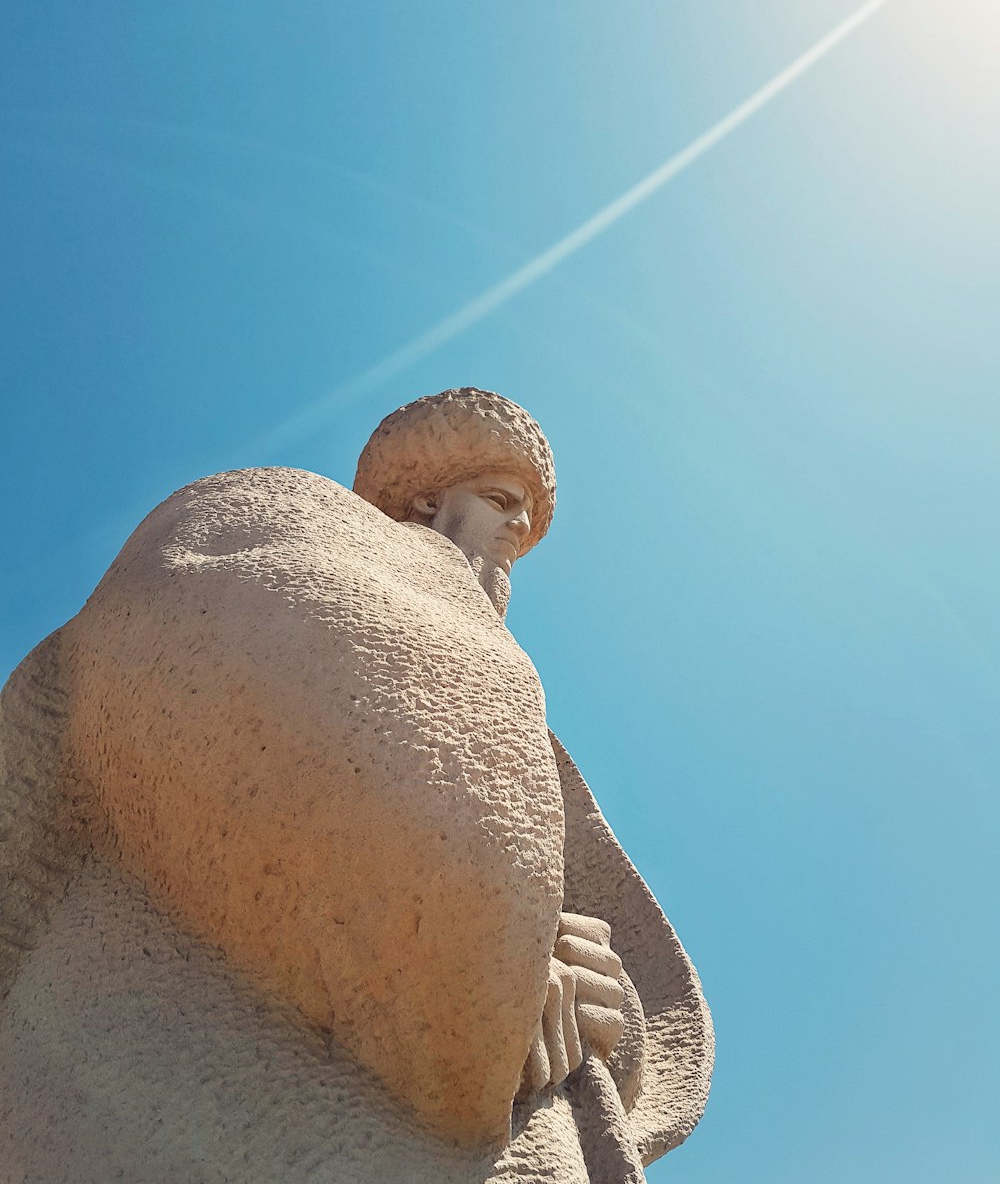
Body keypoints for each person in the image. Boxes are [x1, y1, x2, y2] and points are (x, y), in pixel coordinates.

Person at [0, 389, 712, 1184]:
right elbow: (209, 658)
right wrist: (494, 972)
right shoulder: (292, 518)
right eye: (502, 500)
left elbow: (578, 960)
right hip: (219, 1088)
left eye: (529, 517)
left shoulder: (508, 696)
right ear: (428, 497)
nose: (519, 528)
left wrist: (610, 1010)